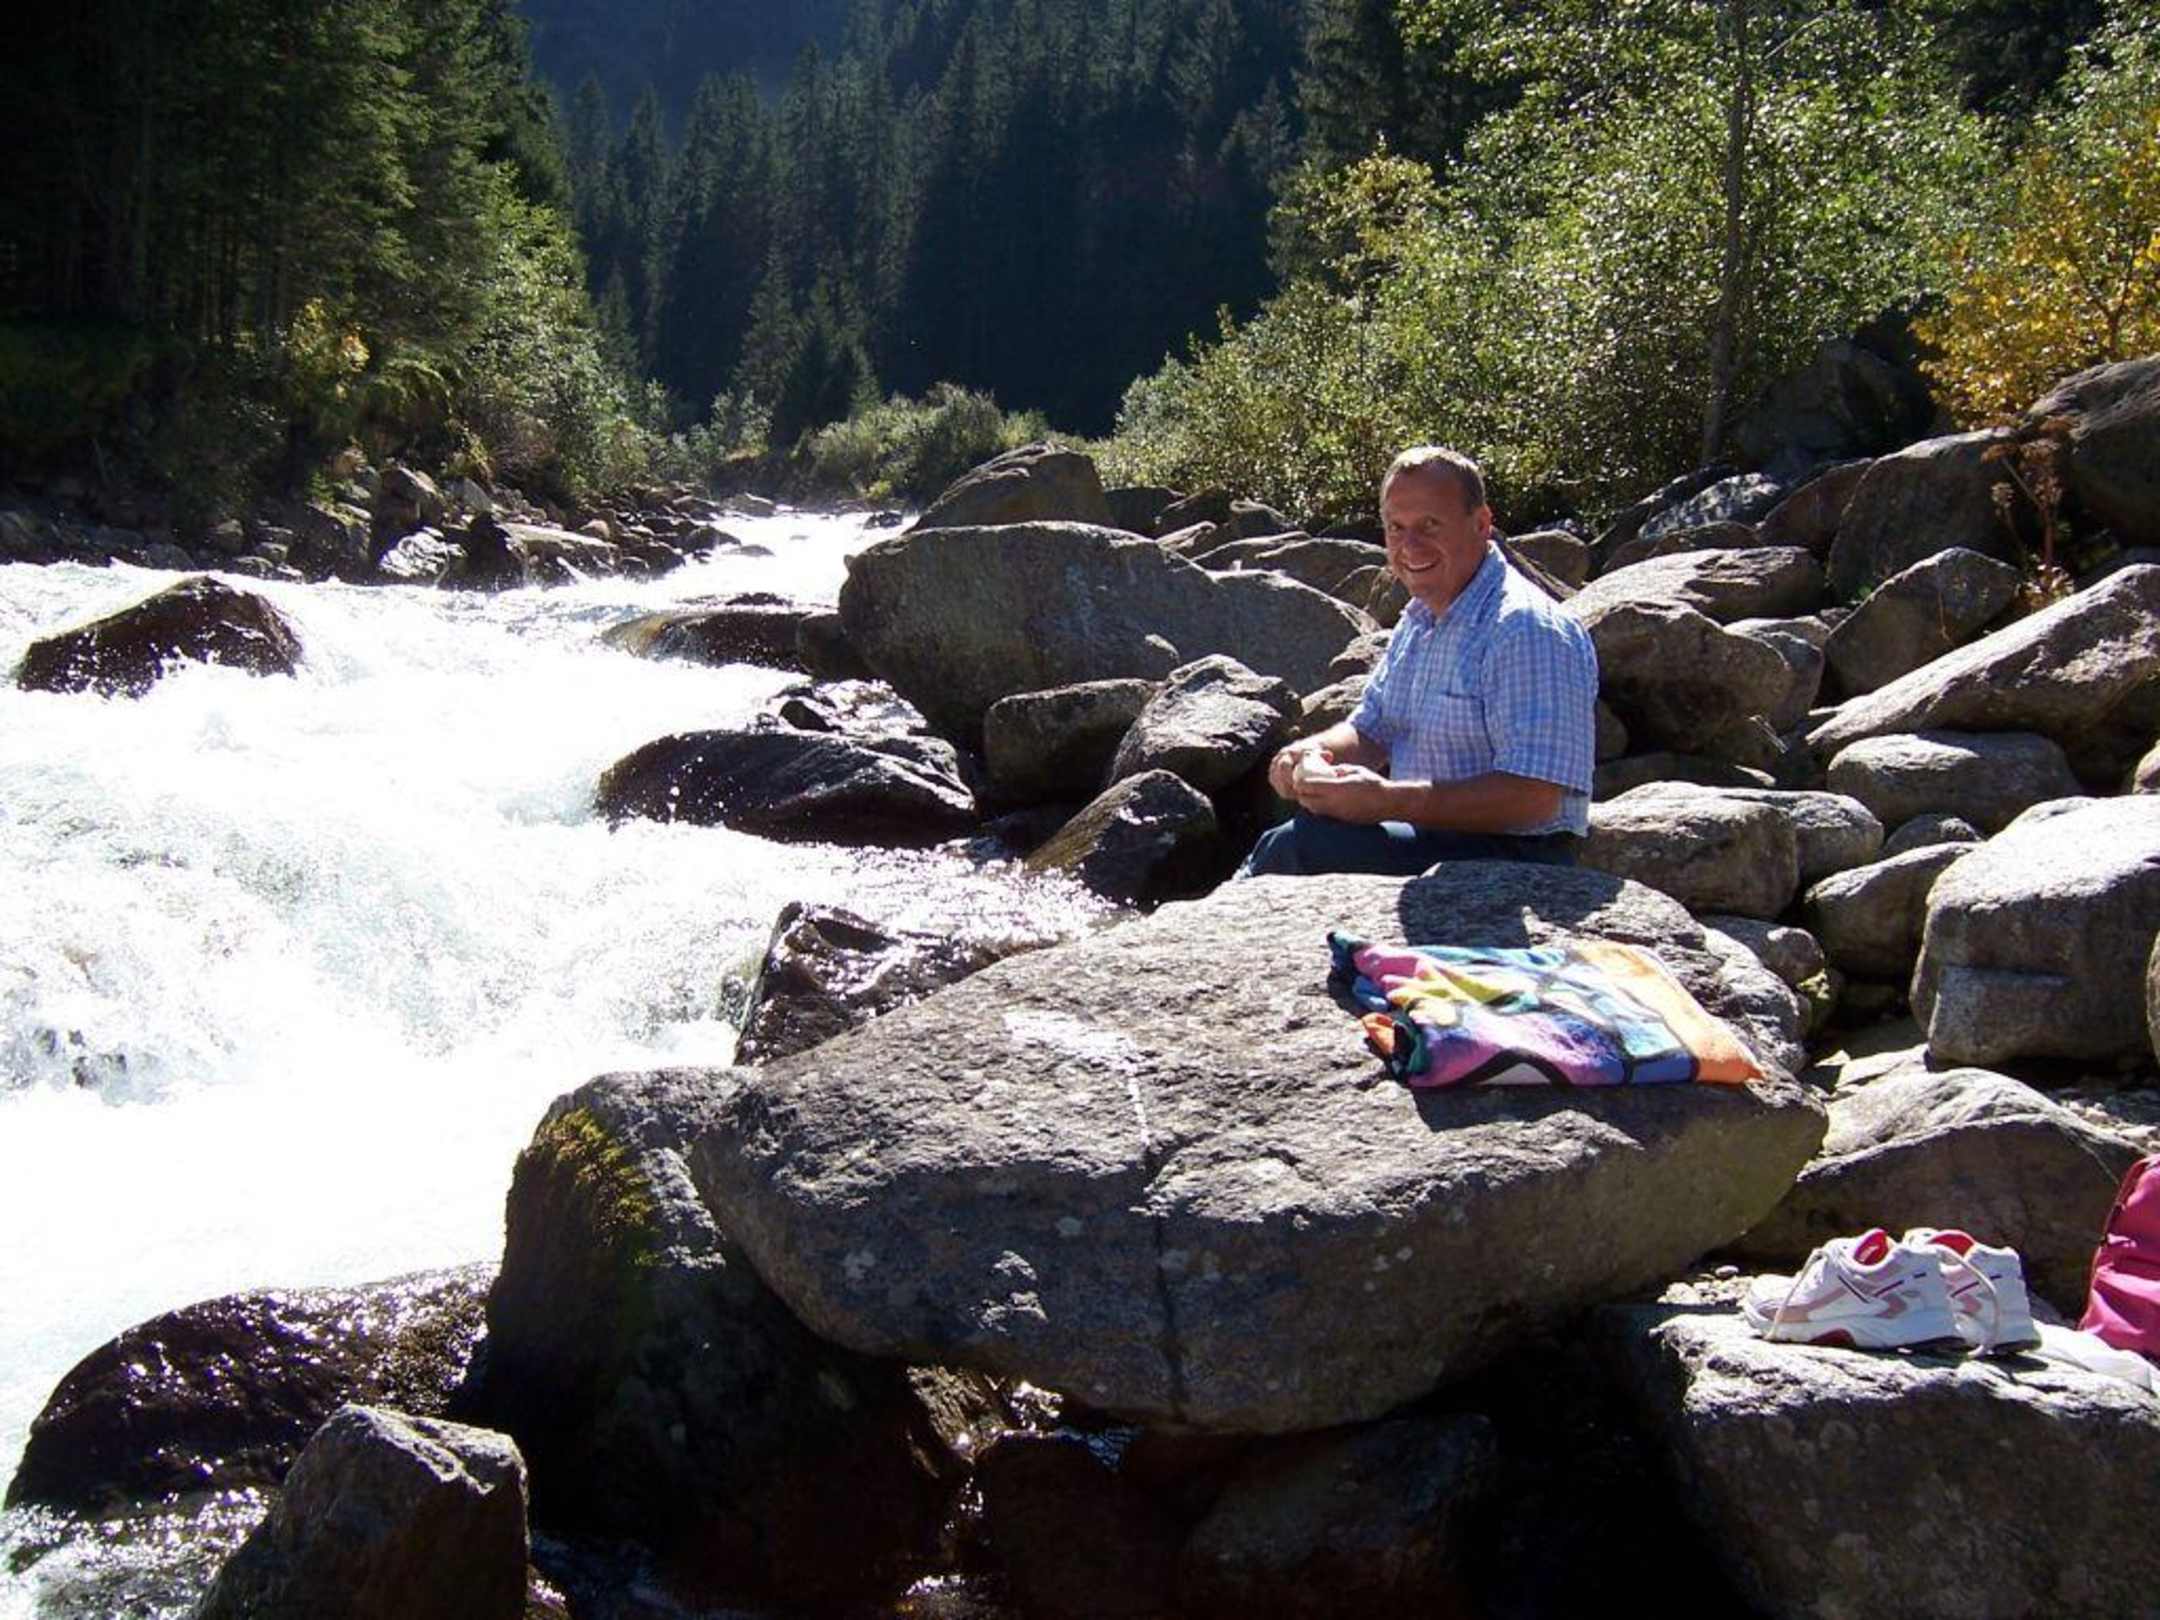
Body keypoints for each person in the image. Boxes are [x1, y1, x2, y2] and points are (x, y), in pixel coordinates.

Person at [1241, 446, 1597, 877]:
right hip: (1433, 836)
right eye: (1397, 528)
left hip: (1522, 857)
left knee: (1302, 847)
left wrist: (1387, 800)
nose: (1410, 546)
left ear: (1481, 523)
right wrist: (1311, 753)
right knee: (1304, 834)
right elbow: (1372, 730)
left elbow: (1535, 798)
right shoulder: (1421, 619)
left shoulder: (1525, 629)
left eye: (1430, 525)